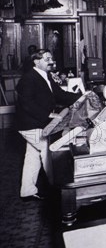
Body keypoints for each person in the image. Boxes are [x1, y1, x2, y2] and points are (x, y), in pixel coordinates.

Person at [15, 49, 82, 200]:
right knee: (48, 152)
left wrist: (80, 97)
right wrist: (49, 115)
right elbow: (27, 104)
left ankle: (27, 191)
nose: (51, 61)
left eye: (51, 58)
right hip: (30, 124)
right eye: (47, 59)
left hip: (34, 123)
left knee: (32, 154)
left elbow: (59, 94)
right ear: (36, 62)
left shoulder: (46, 76)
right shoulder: (28, 78)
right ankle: (57, 189)